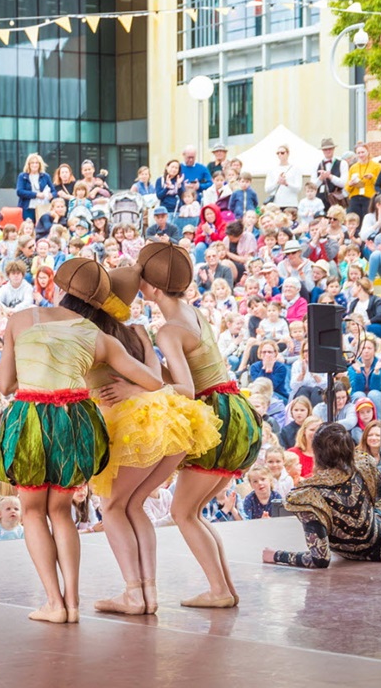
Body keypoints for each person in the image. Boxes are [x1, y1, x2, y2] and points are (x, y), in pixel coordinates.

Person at [0, 258, 163, 624]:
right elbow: (154, 381)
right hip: (74, 420)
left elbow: (5, 385)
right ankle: (71, 602)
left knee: (33, 512)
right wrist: (130, 385)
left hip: (32, 418)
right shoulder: (97, 335)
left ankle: (54, 604)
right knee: (61, 512)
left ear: (61, 287)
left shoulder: (20, 319)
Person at [84, 266, 219, 615]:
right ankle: (148, 593)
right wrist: (145, 343)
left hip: (135, 425)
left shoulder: (91, 335)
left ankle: (134, 593)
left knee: (112, 507)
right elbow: (154, 377)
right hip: (171, 421)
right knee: (133, 505)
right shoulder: (132, 333)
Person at [132, 242, 259, 608]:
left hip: (214, 418)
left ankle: (219, 591)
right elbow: (187, 374)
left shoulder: (169, 330)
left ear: (155, 288)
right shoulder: (194, 313)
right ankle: (225, 588)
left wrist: (138, 376)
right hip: (235, 411)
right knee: (194, 512)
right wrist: (149, 360)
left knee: (182, 513)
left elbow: (186, 389)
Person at [266, 423, 381, 568]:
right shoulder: (362, 467)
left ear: (317, 453)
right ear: (349, 449)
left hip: (353, 550)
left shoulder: (308, 494)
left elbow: (319, 559)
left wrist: (277, 555)